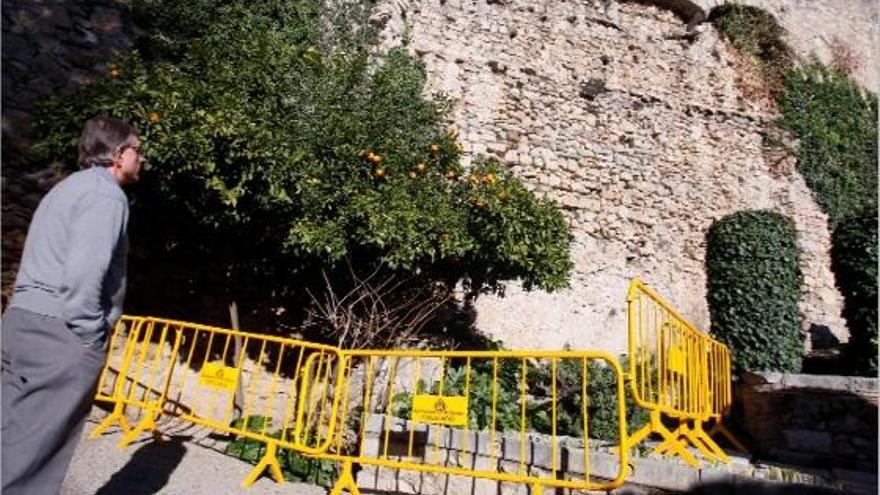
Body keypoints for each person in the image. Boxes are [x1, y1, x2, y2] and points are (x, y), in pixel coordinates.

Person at [1, 116, 143, 494]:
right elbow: (83, 272)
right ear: (118, 154)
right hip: (59, 333)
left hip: (21, 324)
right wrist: (90, 333)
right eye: (137, 150)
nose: (141, 158)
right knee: (33, 456)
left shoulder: (66, 189)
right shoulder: (105, 196)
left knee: (8, 437)